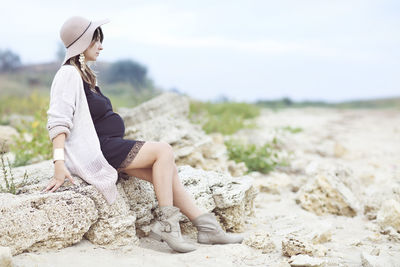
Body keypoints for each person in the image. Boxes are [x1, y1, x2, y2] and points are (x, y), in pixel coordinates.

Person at [41, 16, 243, 253]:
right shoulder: (68, 75)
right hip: (99, 150)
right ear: (83, 42)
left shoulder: (85, 75)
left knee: (168, 172)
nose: (101, 46)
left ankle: (208, 228)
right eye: (96, 40)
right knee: (163, 151)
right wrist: (58, 162)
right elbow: (57, 121)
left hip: (109, 146)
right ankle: (168, 227)